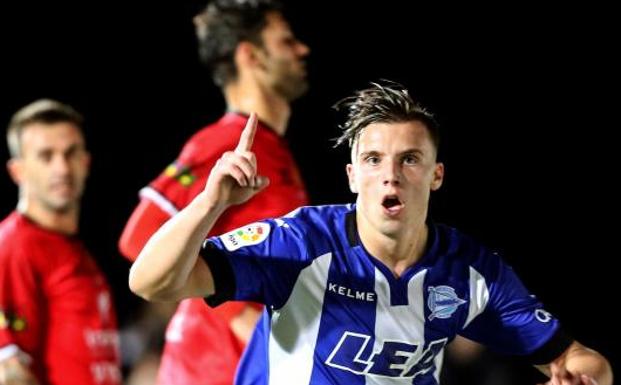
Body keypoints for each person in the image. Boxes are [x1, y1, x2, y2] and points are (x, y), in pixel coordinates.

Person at [128, 81, 613, 385]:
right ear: (351, 176)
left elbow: (577, 359)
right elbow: (150, 281)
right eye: (373, 160)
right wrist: (211, 202)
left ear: (436, 175)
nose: (391, 175)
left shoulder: (469, 271)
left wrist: (585, 376)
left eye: (410, 159)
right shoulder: (301, 245)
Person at [117, 0, 310, 384]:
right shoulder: (224, 142)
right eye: (286, 41)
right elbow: (138, 238)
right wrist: (236, 315)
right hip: (211, 368)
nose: (302, 49)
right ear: (250, 55)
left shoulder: (274, 150)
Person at [0, 99, 121, 385]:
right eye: (46, 156)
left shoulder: (72, 248)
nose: (62, 168)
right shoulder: (13, 246)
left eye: (70, 153)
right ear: (17, 171)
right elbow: (9, 371)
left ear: (86, 162)